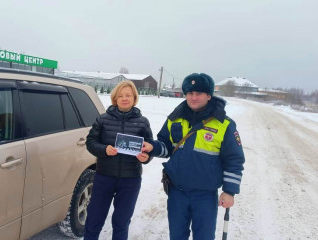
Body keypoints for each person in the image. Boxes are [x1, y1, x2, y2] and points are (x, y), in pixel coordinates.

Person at [142, 73, 245, 240]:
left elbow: (234, 159)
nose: (194, 97)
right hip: (177, 192)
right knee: (176, 236)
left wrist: (229, 191)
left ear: (209, 96)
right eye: (190, 93)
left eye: (199, 93)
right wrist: (152, 147)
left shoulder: (224, 125)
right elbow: (166, 146)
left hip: (205, 195)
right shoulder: (175, 119)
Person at [84, 80, 153, 240]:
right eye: (120, 95)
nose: (124, 98)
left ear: (134, 98)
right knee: (94, 220)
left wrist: (146, 157)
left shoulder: (142, 122)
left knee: (121, 223)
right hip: (104, 177)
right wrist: (104, 149)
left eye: (128, 95)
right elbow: (90, 142)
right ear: (115, 98)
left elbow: (149, 146)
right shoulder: (102, 119)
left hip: (130, 180)